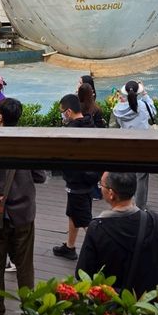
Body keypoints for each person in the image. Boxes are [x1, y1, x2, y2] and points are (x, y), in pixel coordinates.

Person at [0, 98, 47, 315]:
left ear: (0, 117)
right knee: (25, 265)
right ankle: (28, 310)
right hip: (23, 213)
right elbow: (40, 176)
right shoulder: (29, 144)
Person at [76, 172, 158, 295]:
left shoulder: (97, 228)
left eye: (101, 184)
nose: (100, 187)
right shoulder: (155, 221)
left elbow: (82, 274)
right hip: (147, 304)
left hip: (112, 306)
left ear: (111, 194)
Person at [53, 94, 100, 260]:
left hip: (77, 180)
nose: (62, 114)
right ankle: (70, 247)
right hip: (89, 178)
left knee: (86, 219)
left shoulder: (71, 131)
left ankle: (103, 254)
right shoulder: (90, 124)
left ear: (69, 111)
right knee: (73, 213)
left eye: (62, 111)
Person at [111, 80, 156, 209]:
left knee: (128, 175)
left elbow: (118, 124)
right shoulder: (143, 106)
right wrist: (145, 94)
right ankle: (140, 206)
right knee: (141, 177)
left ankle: (126, 202)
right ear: (138, 92)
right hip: (143, 145)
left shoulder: (118, 109)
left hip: (126, 146)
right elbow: (153, 112)